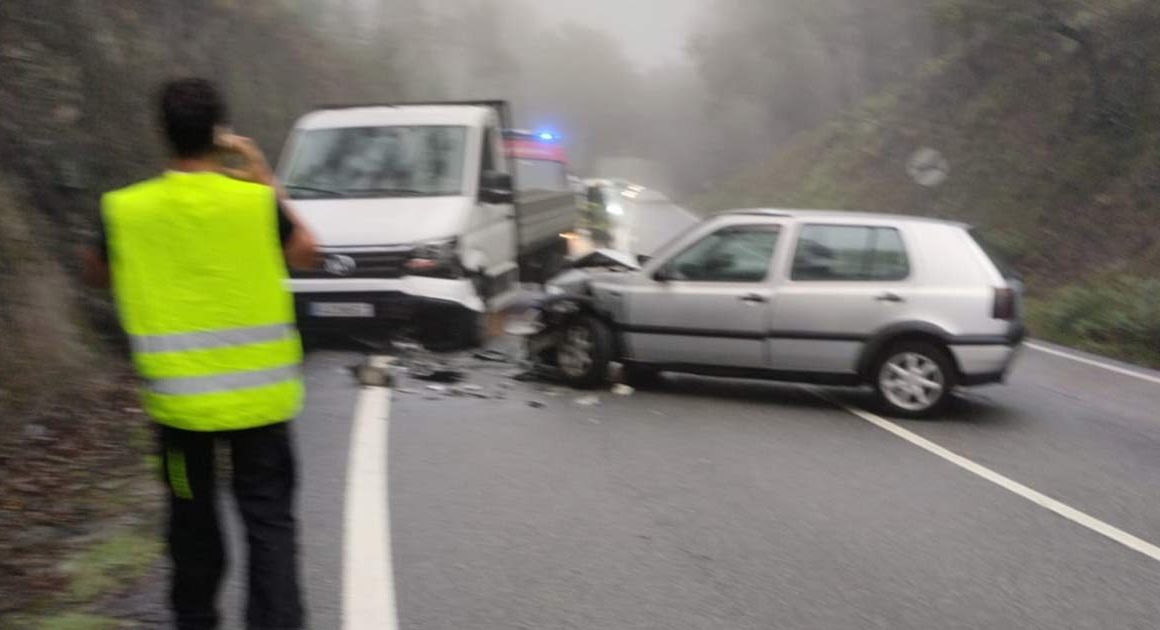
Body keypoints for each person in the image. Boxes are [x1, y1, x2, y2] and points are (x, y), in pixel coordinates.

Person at [82, 78, 318, 630]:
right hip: (261, 403)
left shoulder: (125, 209)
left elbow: (94, 275)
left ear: (162, 133)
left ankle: (195, 619)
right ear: (220, 134)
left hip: (180, 409)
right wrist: (264, 176)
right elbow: (308, 252)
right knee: (269, 523)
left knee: (190, 521)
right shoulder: (256, 203)